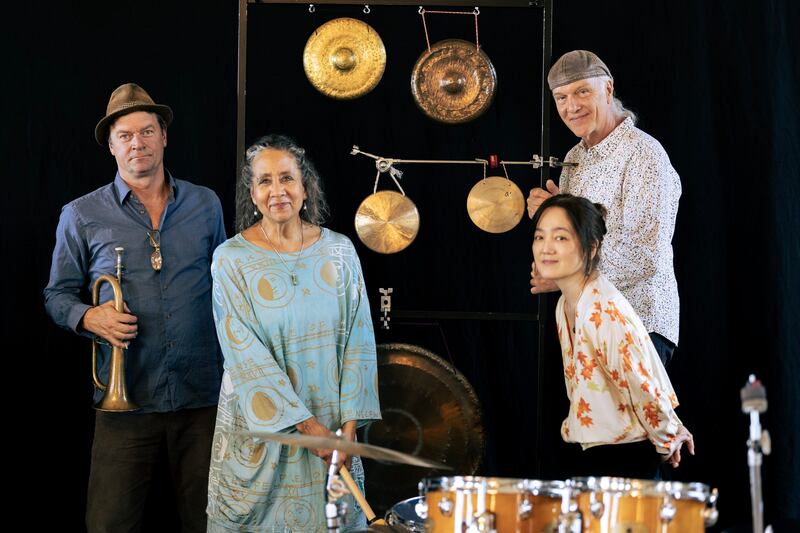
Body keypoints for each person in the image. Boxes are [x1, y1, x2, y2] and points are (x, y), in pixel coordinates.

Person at [43, 83, 226, 532]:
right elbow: (56, 296)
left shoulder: (206, 203)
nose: (137, 143)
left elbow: (228, 289)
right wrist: (89, 316)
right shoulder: (81, 214)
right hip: (126, 402)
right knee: (109, 524)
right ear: (111, 145)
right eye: (125, 135)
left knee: (211, 522)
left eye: (147, 131)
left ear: (164, 137)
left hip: (201, 397)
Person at [206, 134, 381, 532]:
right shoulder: (231, 259)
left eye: (286, 178)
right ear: (251, 194)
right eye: (264, 181)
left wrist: (348, 427)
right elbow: (243, 353)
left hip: (334, 431)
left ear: (305, 187)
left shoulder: (340, 251)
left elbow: (360, 341)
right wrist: (307, 428)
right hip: (262, 438)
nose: (277, 191)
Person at [527, 50, 681, 367]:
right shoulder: (575, 158)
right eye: (561, 97)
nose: (571, 106)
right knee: (593, 420)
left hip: (638, 326)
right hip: (588, 328)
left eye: (582, 91)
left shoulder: (644, 154)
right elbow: (579, 238)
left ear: (607, 89)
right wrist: (551, 214)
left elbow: (644, 255)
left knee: (632, 420)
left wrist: (565, 275)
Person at [531, 193, 693, 479]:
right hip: (598, 449)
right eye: (540, 237)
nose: (546, 248)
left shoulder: (601, 309)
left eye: (561, 238)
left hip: (626, 453)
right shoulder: (565, 304)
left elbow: (642, 383)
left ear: (591, 248)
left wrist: (669, 435)